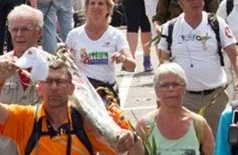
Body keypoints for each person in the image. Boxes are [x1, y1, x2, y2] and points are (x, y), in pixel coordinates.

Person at [0, 58, 141, 155]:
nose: (54, 87)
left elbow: (131, 148)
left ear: (71, 88)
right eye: (48, 81)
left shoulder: (88, 121)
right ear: (39, 88)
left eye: (60, 81)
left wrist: (131, 137)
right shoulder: (25, 118)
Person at [157, 0, 238, 131]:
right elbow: (163, 61)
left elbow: (234, 54)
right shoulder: (170, 28)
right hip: (185, 97)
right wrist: (161, 93)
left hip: (215, 96)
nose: (195, 2)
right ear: (181, 2)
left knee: (217, 143)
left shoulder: (217, 23)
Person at [65, 0, 134, 102]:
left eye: (101, 4)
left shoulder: (116, 35)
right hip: (83, 92)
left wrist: (124, 59)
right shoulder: (74, 35)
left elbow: (132, 66)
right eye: (92, 3)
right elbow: (63, 63)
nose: (96, 7)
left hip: (106, 91)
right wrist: (67, 59)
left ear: (108, 9)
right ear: (86, 8)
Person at [137, 63, 214, 155]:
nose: (171, 89)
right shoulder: (145, 126)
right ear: (156, 91)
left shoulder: (199, 124)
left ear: (184, 88)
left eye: (176, 84)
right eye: (164, 85)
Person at [0, 6, 43, 106]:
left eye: (25, 29)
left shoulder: (54, 67)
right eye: (14, 30)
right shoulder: (1, 66)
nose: (19, 34)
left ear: (39, 32)